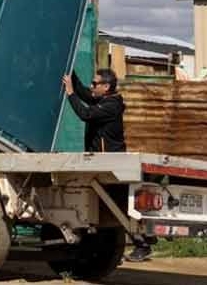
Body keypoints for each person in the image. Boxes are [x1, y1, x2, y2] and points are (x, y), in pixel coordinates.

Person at [61, 69, 152, 262]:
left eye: (95, 84)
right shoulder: (104, 99)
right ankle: (115, 246)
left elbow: (85, 113)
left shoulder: (110, 106)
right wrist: (71, 72)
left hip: (111, 162)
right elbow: (85, 93)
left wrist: (69, 92)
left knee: (118, 203)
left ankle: (142, 243)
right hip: (103, 161)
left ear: (106, 87)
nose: (91, 86)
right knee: (106, 205)